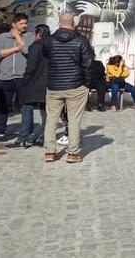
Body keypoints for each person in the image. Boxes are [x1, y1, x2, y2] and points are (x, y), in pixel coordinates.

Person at [42, 12, 94, 163]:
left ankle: (50, 152)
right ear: (74, 24)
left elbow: (46, 57)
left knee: (51, 119)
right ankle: (72, 153)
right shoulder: (81, 40)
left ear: (59, 23)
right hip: (76, 85)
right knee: (74, 120)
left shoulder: (48, 41)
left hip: (54, 85)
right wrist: (87, 84)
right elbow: (88, 64)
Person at [7, 24, 50, 149]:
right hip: (48, 83)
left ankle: (22, 138)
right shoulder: (52, 46)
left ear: (37, 33)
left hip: (33, 83)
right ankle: (44, 136)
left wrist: (25, 81)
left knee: (26, 108)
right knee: (45, 111)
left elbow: (30, 67)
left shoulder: (35, 46)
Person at [0, 14, 30, 139]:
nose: (24, 25)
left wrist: (18, 37)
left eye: (25, 23)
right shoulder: (2, 37)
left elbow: (27, 51)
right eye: (21, 23)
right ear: (14, 24)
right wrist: (17, 48)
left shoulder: (29, 36)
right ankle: (1, 131)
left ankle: (26, 131)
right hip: (5, 76)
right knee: (3, 106)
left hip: (21, 76)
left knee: (25, 105)